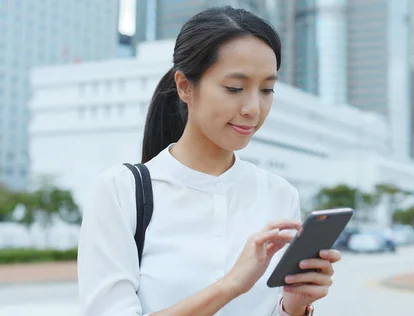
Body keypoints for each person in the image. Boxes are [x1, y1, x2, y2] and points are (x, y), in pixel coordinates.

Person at [77, 6, 341, 316]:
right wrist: (231, 285)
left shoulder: (280, 195)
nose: (253, 108)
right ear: (185, 86)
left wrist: (292, 307)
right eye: (234, 88)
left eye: (267, 89)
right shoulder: (119, 192)